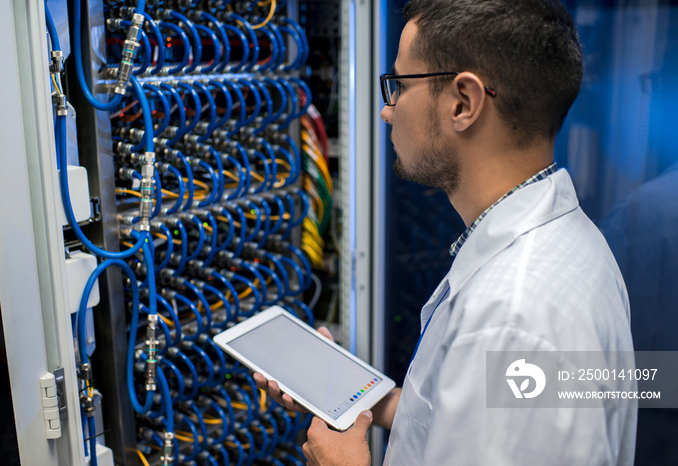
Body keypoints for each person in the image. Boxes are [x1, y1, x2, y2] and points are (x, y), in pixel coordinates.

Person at [256, 0, 637, 464]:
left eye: (398, 86)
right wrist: (368, 402)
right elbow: (483, 416)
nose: (386, 111)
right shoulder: (571, 244)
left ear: (464, 103)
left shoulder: (512, 319)